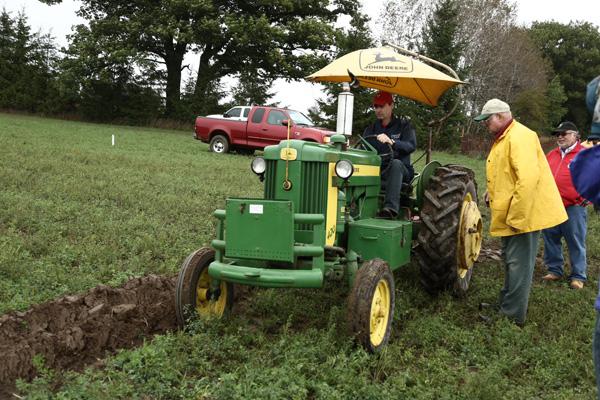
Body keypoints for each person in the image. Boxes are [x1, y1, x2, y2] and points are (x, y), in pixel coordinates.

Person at [474, 98, 567, 326]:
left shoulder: (521, 136)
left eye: (488, 120)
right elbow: (507, 173)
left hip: (523, 215)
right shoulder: (505, 137)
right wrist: (491, 191)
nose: (486, 124)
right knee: (510, 261)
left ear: (500, 116)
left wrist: (516, 218)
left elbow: (527, 180)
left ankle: (511, 317)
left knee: (519, 265)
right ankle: (506, 304)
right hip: (513, 213)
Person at [541, 121, 588, 289]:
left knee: (575, 241)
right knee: (550, 239)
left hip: (574, 207)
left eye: (564, 133)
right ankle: (555, 270)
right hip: (551, 206)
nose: (560, 137)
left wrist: (587, 198)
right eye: (557, 134)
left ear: (576, 135)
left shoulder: (584, 154)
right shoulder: (551, 155)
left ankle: (578, 276)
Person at [363, 90, 416, 219]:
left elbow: (411, 146)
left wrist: (392, 142)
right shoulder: (371, 129)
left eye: (382, 106)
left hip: (401, 171)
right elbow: (364, 148)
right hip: (378, 169)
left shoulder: (404, 126)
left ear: (391, 106)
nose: (378, 110)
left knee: (396, 164)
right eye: (376, 106)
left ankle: (390, 209)